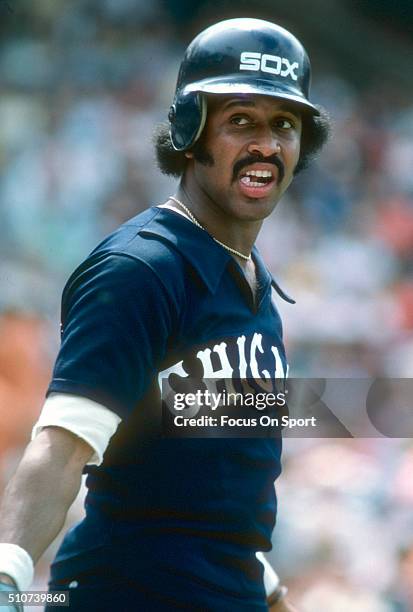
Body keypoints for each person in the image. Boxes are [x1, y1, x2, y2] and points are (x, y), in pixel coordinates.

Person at [0, 17, 330, 611]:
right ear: (189, 131)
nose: (266, 144)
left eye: (284, 124)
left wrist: (271, 592)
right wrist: (7, 573)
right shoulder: (141, 269)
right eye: (240, 122)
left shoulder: (251, 283)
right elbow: (62, 445)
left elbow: (207, 490)